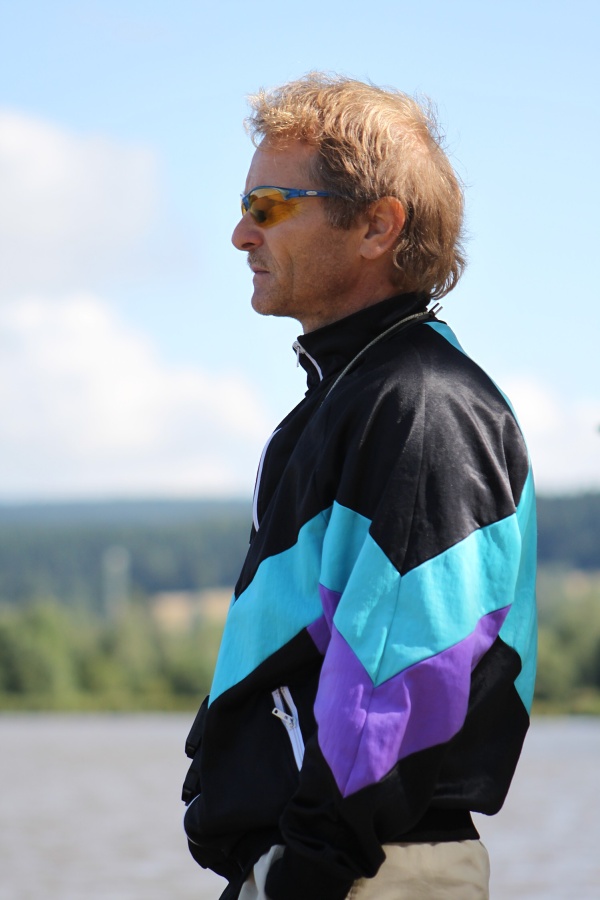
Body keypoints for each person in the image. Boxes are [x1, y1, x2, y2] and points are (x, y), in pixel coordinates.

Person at [182, 73, 537, 900]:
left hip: (364, 873)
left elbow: (406, 672)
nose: (240, 233)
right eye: (243, 205)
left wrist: (305, 870)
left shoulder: (421, 402)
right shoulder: (349, 399)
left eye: (269, 205)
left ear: (378, 225)